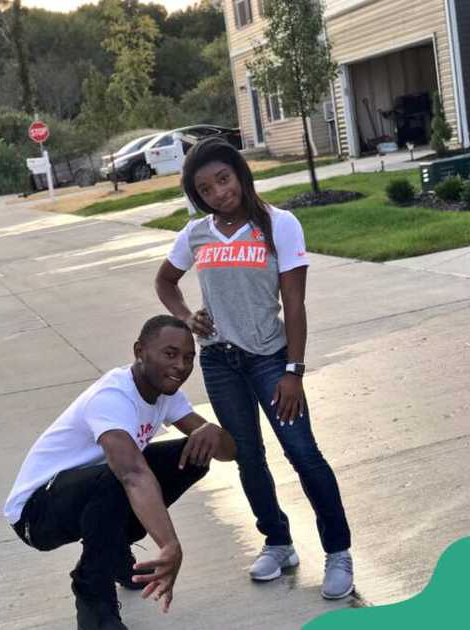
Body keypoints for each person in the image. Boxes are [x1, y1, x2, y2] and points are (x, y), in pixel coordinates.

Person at [155, 136, 354, 599]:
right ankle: (278, 541)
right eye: (205, 188)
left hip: (270, 360)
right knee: (247, 456)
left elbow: (295, 303)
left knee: (303, 453)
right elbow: (165, 282)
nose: (219, 192)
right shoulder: (196, 233)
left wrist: (293, 371)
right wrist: (186, 317)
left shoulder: (278, 225)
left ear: (240, 174)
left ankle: (339, 552)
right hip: (221, 363)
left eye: (223, 179)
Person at [4, 315, 236, 630]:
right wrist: (170, 544)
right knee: (120, 474)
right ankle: (94, 600)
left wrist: (212, 431)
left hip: (92, 494)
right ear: (140, 351)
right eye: (170, 354)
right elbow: (132, 475)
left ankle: (117, 554)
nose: (181, 365)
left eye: (188, 357)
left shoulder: (165, 394)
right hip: (36, 514)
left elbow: (227, 452)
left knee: (192, 455)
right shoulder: (112, 397)